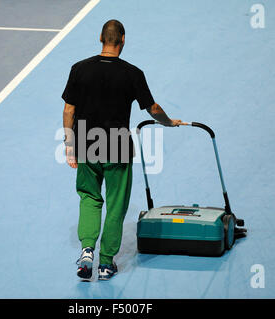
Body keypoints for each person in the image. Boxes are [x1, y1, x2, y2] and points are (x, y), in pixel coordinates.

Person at [62, 19, 183, 281]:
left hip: (85, 144)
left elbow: (68, 110)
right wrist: (169, 122)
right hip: (117, 147)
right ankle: (106, 264)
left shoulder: (79, 69)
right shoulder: (132, 73)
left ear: (100, 38)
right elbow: (153, 109)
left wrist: (69, 146)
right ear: (123, 40)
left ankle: (86, 251)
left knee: (89, 199)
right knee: (116, 206)